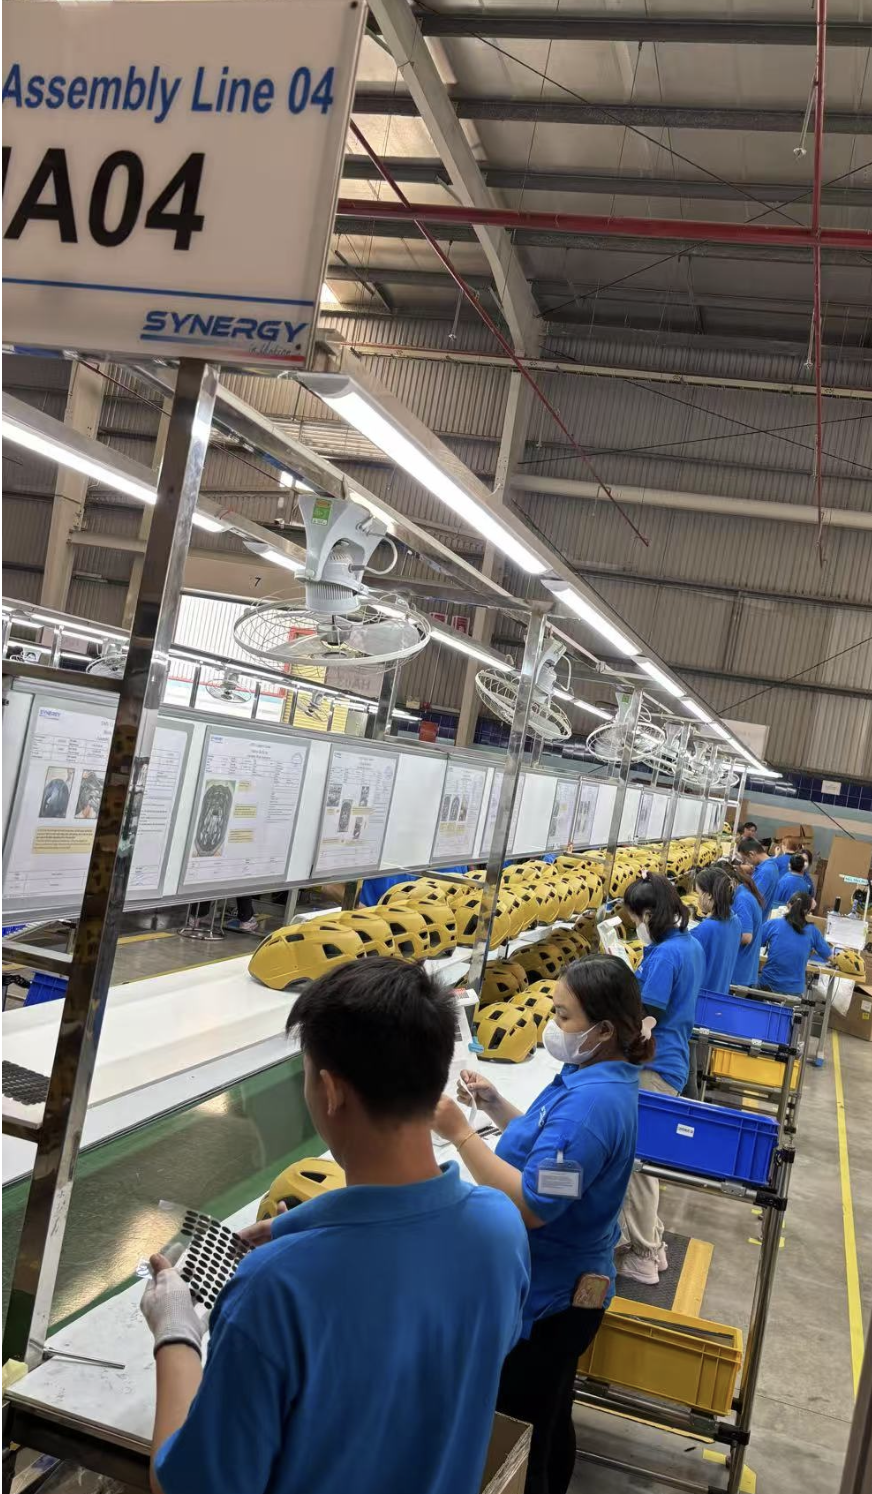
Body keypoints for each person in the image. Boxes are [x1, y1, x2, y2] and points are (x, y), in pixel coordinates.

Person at [141, 958, 530, 1494]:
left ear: (330, 1091)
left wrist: (175, 1332)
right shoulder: (500, 1229)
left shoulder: (274, 1291)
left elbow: (185, 1487)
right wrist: (296, 1227)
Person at [433, 955, 652, 1494]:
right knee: (551, 1412)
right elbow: (551, 1157)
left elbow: (534, 1204)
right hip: (561, 1287)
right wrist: (494, 1105)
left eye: (564, 1017)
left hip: (552, 1300)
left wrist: (461, 1135)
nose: (554, 1027)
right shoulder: (591, 1074)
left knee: (522, 1426)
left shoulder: (593, 1107)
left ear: (604, 1029)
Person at [617, 875, 704, 1286]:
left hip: (655, 1066)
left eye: (635, 916)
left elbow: (647, 1014)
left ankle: (644, 1256)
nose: (634, 923)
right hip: (671, 1062)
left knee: (637, 1165)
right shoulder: (687, 944)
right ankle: (652, 1241)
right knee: (644, 1162)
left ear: (649, 914)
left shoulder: (666, 955)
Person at [759, 893, 833, 995]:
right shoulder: (813, 931)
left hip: (768, 985)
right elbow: (829, 956)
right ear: (808, 911)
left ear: (788, 904)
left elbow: (755, 944)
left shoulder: (773, 924)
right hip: (793, 991)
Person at [691, 867, 742, 995]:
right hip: (719, 995)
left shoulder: (703, 930)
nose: (698, 899)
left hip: (700, 998)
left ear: (708, 895)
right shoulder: (735, 920)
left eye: (698, 893)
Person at [717, 860, 764, 989]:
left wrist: (718, 937)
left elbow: (746, 936)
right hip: (743, 970)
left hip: (739, 972)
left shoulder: (742, 899)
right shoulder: (743, 892)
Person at [738, 837, 781, 919]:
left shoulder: (765, 872)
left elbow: (752, 899)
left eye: (746, 859)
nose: (748, 862)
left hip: (753, 919)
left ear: (751, 854)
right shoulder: (769, 865)